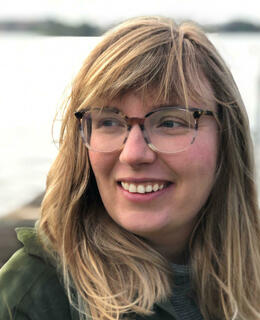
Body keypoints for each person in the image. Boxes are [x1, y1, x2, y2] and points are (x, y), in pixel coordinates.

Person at [0, 16, 259, 320]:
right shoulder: (34, 296)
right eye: (109, 121)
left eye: (170, 122)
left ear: (227, 137)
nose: (133, 154)